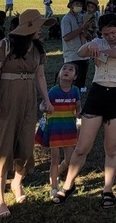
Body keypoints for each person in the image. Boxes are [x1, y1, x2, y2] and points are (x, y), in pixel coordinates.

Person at [0, 8, 55, 218]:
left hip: (27, 101)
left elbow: (41, 76)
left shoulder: (38, 49)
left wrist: (46, 100)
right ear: (28, 28)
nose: (42, 31)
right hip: (6, 99)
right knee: (3, 146)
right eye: (39, 27)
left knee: (26, 144)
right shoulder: (5, 45)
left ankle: (17, 183)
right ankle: (0, 199)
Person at [55, 12, 116, 208]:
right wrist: (90, 45)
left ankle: (107, 189)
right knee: (82, 146)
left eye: (113, 32)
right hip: (98, 92)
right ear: (100, 33)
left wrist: (101, 51)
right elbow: (81, 52)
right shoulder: (98, 42)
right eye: (105, 34)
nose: (110, 37)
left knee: (111, 148)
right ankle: (68, 185)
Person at [39, 62, 82, 200]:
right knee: (54, 159)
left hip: (69, 129)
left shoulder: (75, 91)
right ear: (59, 73)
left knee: (69, 159)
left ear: (75, 77)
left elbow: (78, 108)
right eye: (64, 68)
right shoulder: (52, 91)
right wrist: (43, 108)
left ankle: (57, 173)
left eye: (71, 69)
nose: (67, 71)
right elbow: (43, 105)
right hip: (55, 130)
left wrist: (80, 116)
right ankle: (53, 187)